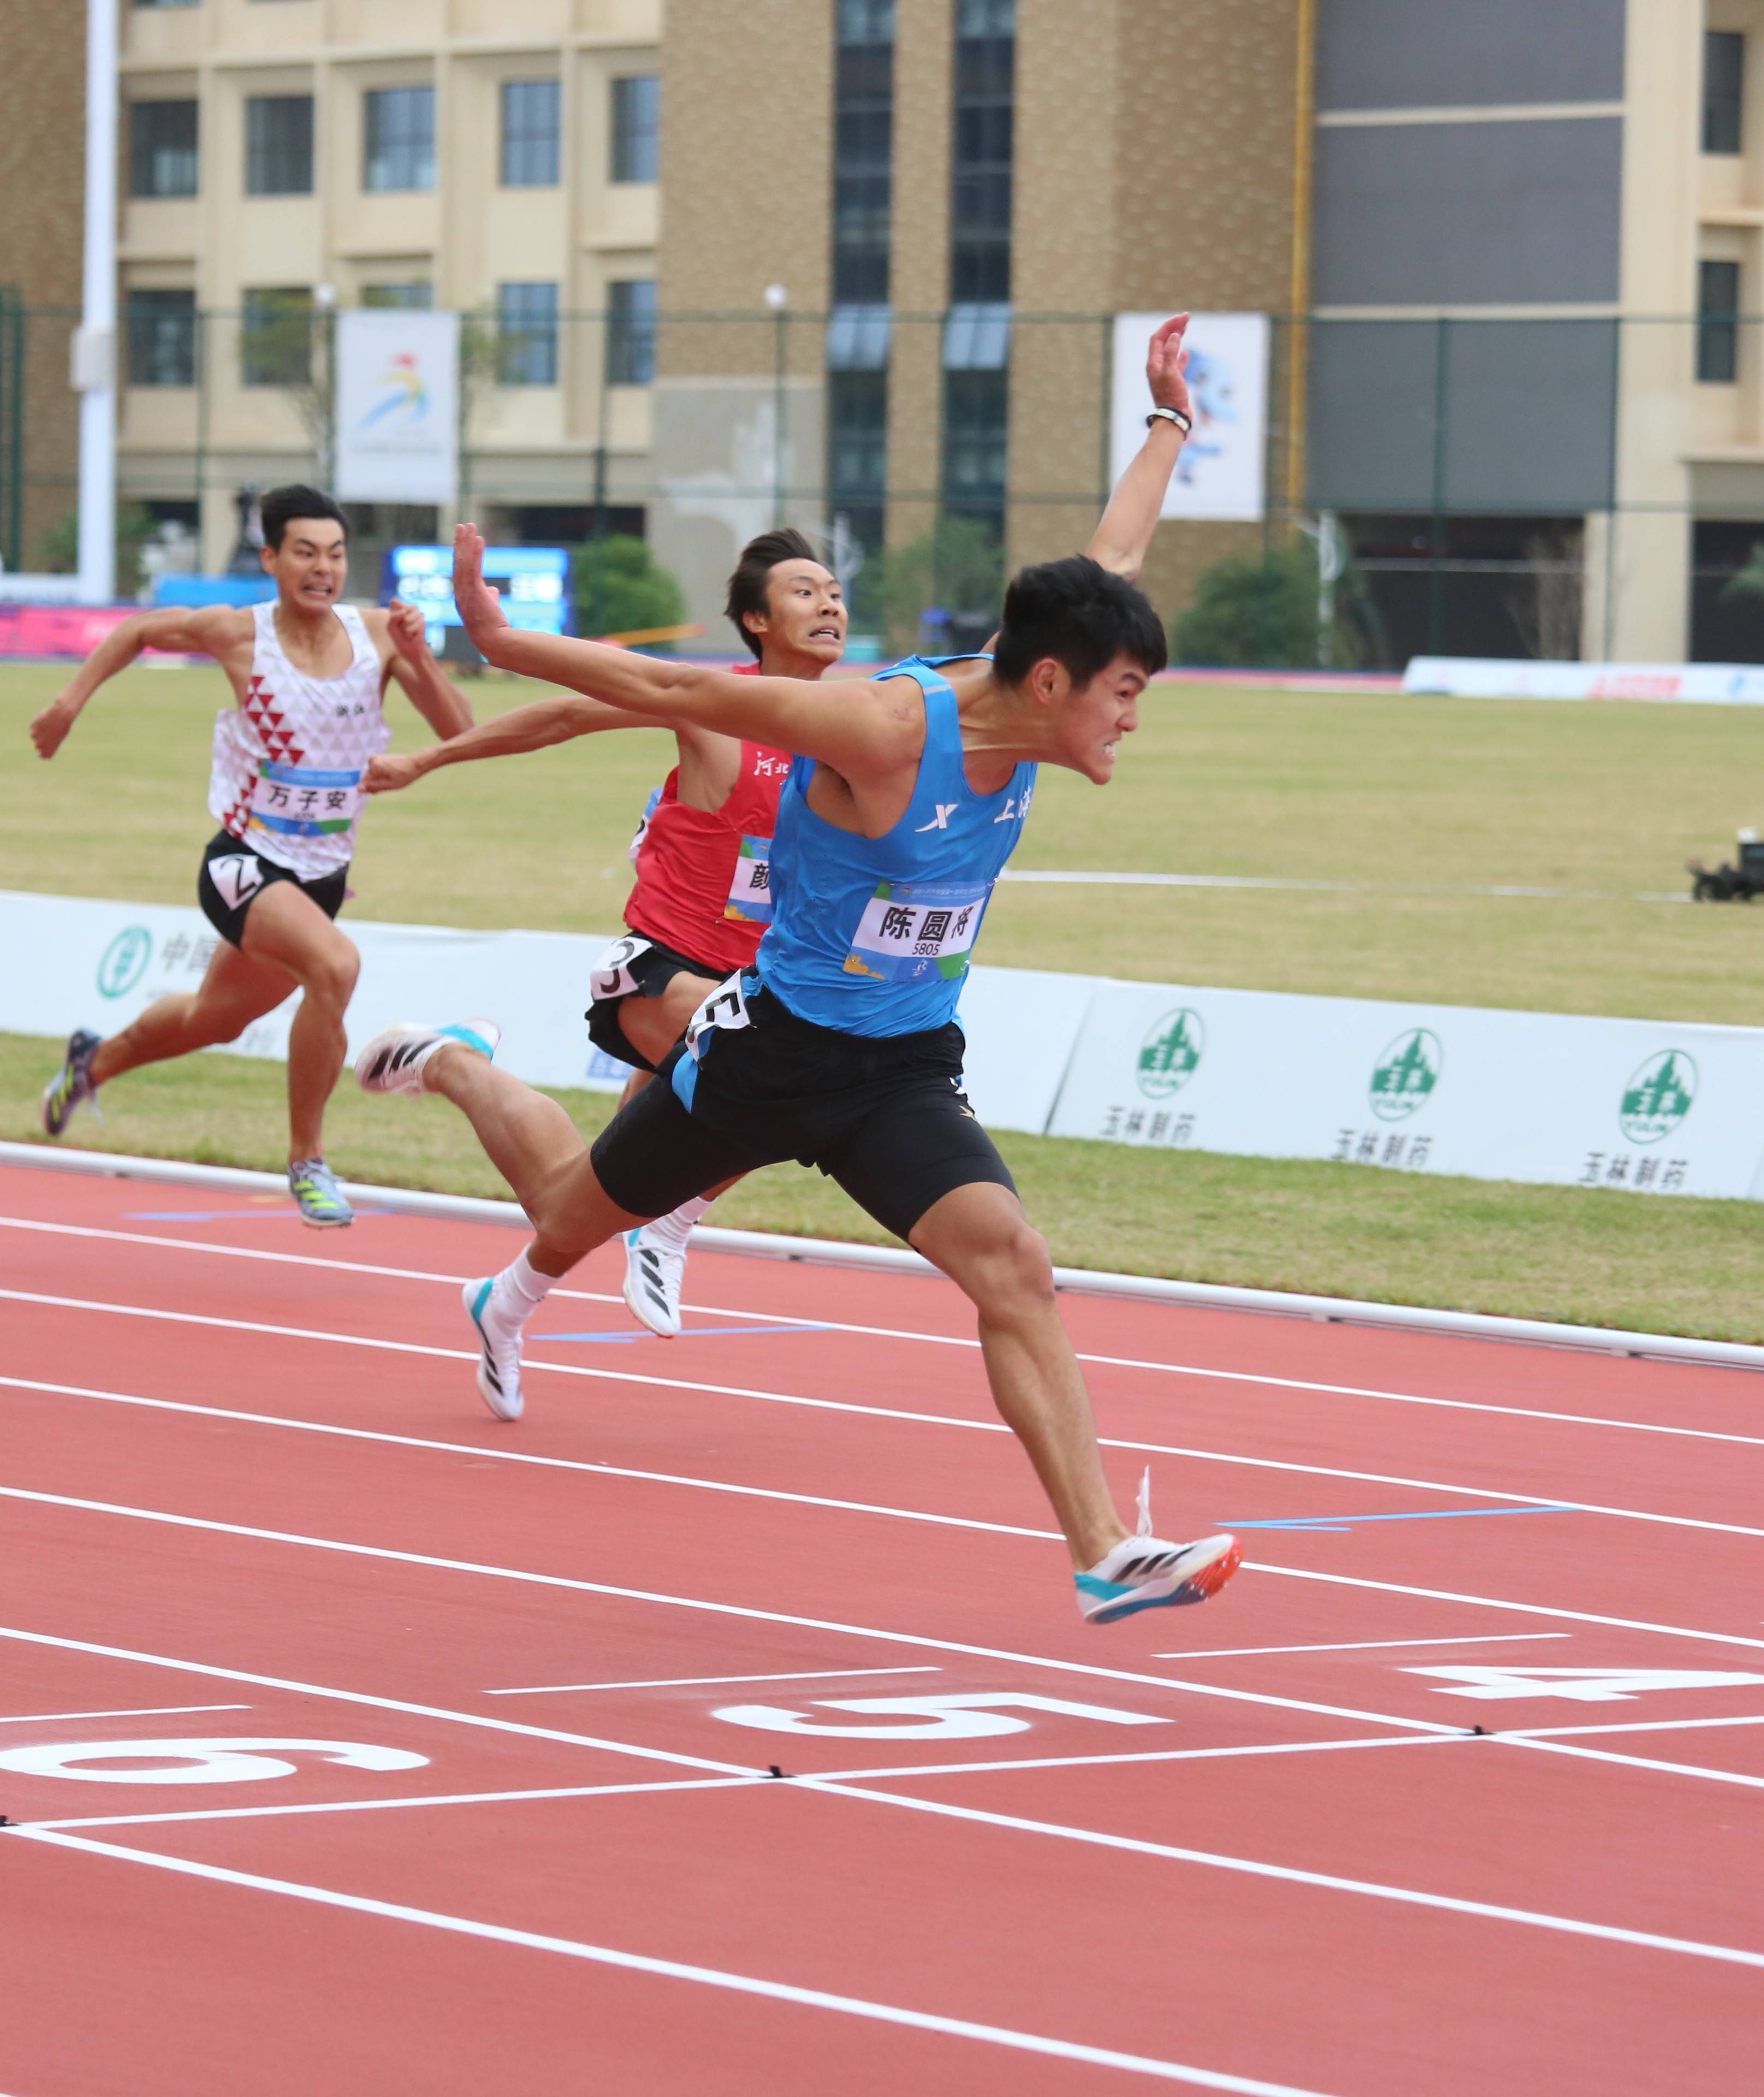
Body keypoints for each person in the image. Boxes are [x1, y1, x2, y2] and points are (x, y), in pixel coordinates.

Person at [358, 315, 1239, 1626]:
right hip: (762, 1055)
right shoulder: (879, 729)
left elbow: (1109, 558)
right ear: (1050, 681)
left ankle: (1103, 1550)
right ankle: (458, 1068)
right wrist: (500, 636)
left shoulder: (1046, 670)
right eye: (1120, 695)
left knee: (1013, 1262)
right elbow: (665, 689)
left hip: (895, 1073)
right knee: (563, 1213)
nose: (1129, 718)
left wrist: (1168, 420)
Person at [361, 529, 849, 1333]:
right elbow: (563, 717)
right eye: (804, 591)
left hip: (756, 981)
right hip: (665, 970)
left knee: (579, 1197)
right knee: (785, 1074)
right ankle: (671, 1225)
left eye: (833, 590)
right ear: (756, 621)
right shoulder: (710, 705)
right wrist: (429, 760)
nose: (828, 602)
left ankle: (453, 1069)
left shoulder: (858, 725)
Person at [28, 485, 473, 1226]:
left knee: (214, 1020)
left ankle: (90, 1064)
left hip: (320, 879)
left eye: (334, 554)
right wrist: (71, 702)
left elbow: (458, 732)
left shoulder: (381, 636)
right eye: (304, 552)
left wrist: (422, 659)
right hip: (242, 865)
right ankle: (308, 1162)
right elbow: (138, 630)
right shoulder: (238, 634)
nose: (322, 568)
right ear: (270, 558)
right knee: (336, 966)